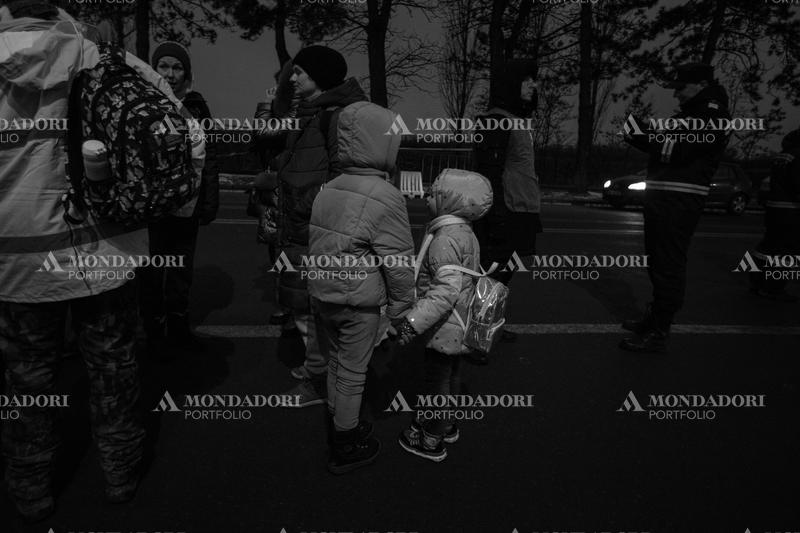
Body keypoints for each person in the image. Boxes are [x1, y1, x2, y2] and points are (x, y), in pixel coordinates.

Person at [0, 3, 150, 521]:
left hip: (15, 264)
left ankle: (29, 489)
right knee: (114, 370)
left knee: (27, 382)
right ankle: (120, 473)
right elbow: (187, 142)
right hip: (105, 252)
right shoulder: (106, 59)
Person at [307, 101, 414, 474]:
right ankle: (345, 442)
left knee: (336, 362)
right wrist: (401, 307)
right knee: (354, 373)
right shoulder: (385, 195)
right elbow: (398, 260)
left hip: (323, 295)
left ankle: (340, 421)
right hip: (359, 303)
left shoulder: (329, 187)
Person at [265, 46, 369, 406]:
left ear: (320, 76)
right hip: (300, 224)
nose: (291, 78)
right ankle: (321, 369)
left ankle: (320, 378)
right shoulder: (311, 113)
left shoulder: (337, 117)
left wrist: (307, 204)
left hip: (318, 228)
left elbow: (346, 176)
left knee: (317, 308)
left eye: (300, 72)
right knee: (305, 303)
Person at [620, 63, 731, 353]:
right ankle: (655, 318)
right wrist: (643, 133)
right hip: (666, 198)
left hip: (679, 200)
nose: (677, 94)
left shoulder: (712, 115)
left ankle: (659, 330)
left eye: (681, 87)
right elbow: (669, 145)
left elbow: (676, 151)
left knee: (668, 263)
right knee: (658, 261)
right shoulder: (695, 114)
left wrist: (640, 135)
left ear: (700, 84)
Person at [394, 169, 493, 461]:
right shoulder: (465, 232)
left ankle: (431, 438)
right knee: (451, 376)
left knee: (435, 384)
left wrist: (411, 324)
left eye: (434, 194)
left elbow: (444, 291)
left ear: (450, 201)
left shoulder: (444, 238)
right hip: (461, 322)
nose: (426, 197)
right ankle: (446, 424)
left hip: (445, 325)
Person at [140, 41, 219, 353]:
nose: (170, 73)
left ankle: (179, 329)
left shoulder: (197, 107)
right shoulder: (142, 101)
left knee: (181, 272)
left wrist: (209, 201)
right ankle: (154, 333)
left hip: (187, 205)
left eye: (177, 67)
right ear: (154, 69)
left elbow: (208, 158)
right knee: (150, 272)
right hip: (154, 206)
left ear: (186, 73)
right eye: (164, 66)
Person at [473, 59, 541, 347]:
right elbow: (489, 173)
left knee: (504, 273)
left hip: (521, 210)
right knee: (492, 274)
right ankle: (477, 338)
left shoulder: (515, 120)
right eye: (527, 81)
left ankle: (489, 327)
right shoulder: (495, 120)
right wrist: (497, 215)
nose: (533, 86)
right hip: (506, 211)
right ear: (511, 85)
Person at [749, 128, 800, 301]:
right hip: (791, 210)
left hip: (774, 208)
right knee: (787, 251)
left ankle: (757, 282)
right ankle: (773, 288)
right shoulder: (798, 156)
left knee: (768, 246)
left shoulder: (783, 155)